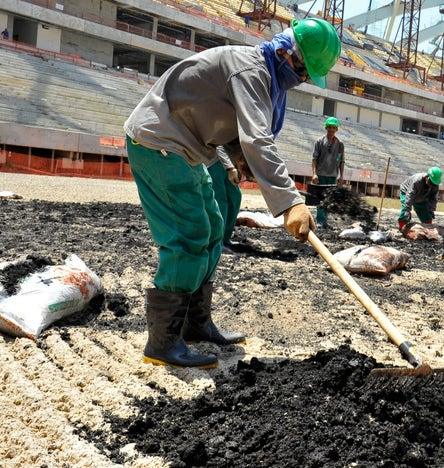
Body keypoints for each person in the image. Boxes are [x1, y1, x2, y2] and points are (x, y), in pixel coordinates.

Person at [123, 18, 341, 369]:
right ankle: (162, 343)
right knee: (189, 235)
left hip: (188, 149)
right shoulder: (251, 70)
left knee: (212, 225)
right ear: (286, 53)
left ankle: (195, 324)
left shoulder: (266, 75)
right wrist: (290, 203)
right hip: (160, 142)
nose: (302, 80)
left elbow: (232, 130)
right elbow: (256, 137)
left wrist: (241, 159)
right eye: (302, 71)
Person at [311, 116, 345, 230]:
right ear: (326, 128)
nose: (331, 129)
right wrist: (314, 174)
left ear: (336, 129)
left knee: (328, 200)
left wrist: (341, 176)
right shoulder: (319, 142)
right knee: (321, 198)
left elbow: (341, 161)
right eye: (329, 127)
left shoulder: (340, 144)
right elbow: (314, 158)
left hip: (332, 175)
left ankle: (325, 221)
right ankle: (320, 221)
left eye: (333, 127)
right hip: (321, 175)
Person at [212, 147, 243, 254]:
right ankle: (216, 242)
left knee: (235, 197)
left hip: (230, 161)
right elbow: (218, 144)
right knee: (220, 200)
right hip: (214, 160)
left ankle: (225, 237)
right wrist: (229, 167)